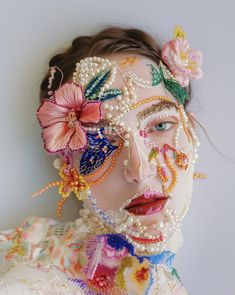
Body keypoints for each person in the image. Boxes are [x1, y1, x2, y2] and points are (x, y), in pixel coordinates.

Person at [0, 25, 203, 294]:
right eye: (103, 139)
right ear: (69, 169)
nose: (140, 169)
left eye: (161, 126)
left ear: (190, 129)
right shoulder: (37, 283)